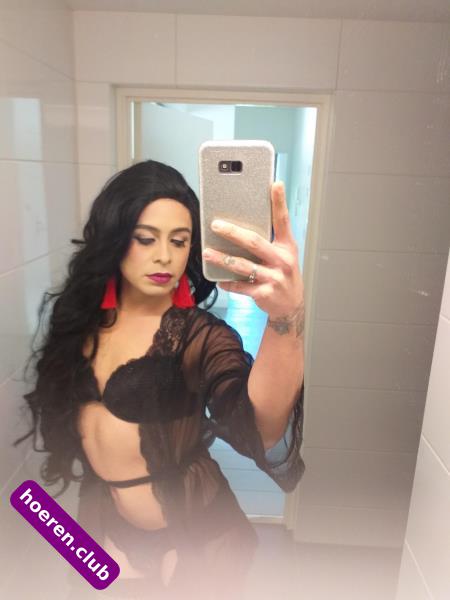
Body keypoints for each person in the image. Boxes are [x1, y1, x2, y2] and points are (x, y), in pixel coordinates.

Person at [13, 160, 306, 600]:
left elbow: (260, 426)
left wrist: (284, 319)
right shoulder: (77, 321)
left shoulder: (198, 336)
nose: (165, 256)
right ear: (115, 238)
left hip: (195, 535)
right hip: (106, 526)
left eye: (180, 241)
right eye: (146, 238)